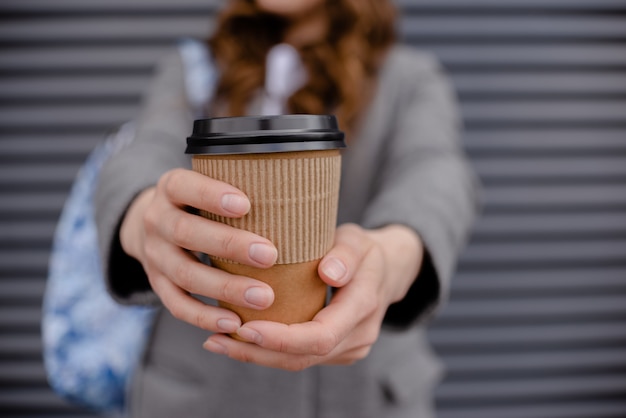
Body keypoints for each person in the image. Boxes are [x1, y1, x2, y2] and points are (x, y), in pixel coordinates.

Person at [94, 0, 479, 416]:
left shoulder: (408, 77)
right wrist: (144, 214)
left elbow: (437, 173)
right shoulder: (195, 70)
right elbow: (141, 155)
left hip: (363, 396)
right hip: (202, 391)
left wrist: (395, 252)